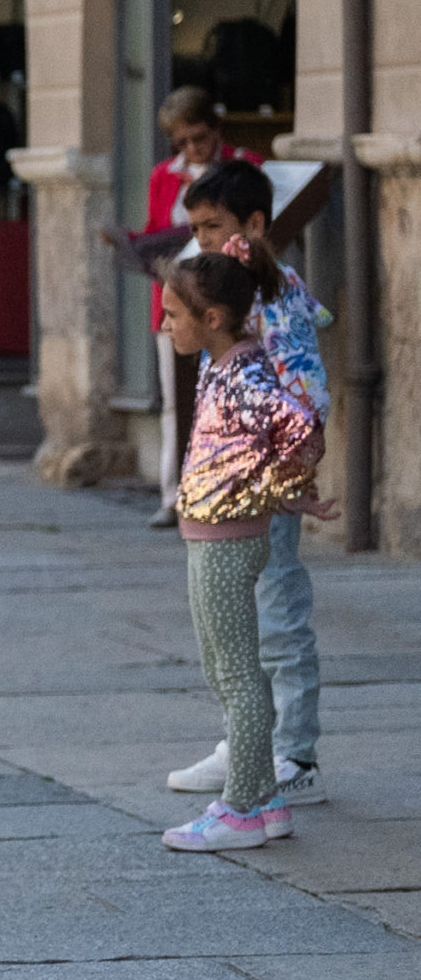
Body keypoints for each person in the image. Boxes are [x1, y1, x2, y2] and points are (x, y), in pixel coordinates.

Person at [165, 160, 329, 811]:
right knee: (236, 625)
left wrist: (288, 472)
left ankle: (294, 753)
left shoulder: (272, 292)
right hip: (235, 489)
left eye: (212, 226)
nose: (200, 239)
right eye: (195, 227)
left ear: (254, 224)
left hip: (267, 486)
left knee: (277, 608)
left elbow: (302, 393)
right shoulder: (226, 286)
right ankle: (247, 744)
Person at [105, 86, 258, 528]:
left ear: (216, 130)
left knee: (232, 399)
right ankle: (174, 495)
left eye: (200, 138)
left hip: (228, 300)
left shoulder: (241, 168)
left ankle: (229, 488)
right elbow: (156, 231)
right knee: (177, 401)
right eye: (183, 141)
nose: (192, 149)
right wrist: (135, 245)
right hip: (176, 303)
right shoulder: (163, 176)